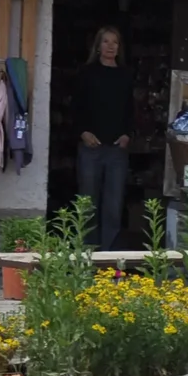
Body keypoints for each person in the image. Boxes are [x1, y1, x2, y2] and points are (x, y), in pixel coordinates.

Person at [72, 26, 134, 247]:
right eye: (106, 42)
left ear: (119, 47)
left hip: (116, 149)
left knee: (113, 206)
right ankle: (87, 254)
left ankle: (108, 258)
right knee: (88, 204)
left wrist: (127, 135)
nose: (110, 46)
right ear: (98, 46)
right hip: (91, 147)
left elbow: (130, 110)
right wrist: (83, 132)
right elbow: (76, 107)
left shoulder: (125, 75)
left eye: (114, 42)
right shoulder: (86, 73)